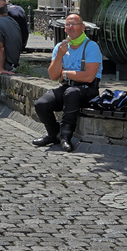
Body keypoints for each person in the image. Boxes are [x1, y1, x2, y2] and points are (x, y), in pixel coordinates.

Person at [31, 13, 101, 153]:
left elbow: (88, 77)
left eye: (74, 24)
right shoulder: (60, 47)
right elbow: (52, 75)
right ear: (64, 29)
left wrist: (64, 73)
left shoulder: (91, 46)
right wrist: (59, 56)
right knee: (41, 104)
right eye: (68, 25)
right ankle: (53, 134)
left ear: (82, 27)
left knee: (72, 93)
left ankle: (66, 136)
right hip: (68, 87)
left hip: (88, 89)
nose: (71, 27)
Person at [0, 1, 25, 75]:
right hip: (13, 62)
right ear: (6, 10)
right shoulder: (12, 21)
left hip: (7, 64)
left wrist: (2, 68)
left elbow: (0, 48)